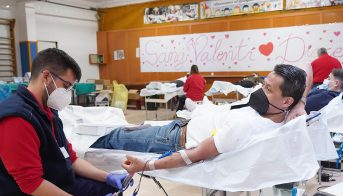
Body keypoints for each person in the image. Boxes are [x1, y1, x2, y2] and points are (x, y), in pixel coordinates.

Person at [0, 48, 136, 196]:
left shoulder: (48, 111)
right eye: (67, 86)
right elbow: (31, 184)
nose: (68, 93)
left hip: (49, 187)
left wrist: (107, 177)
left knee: (111, 192)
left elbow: (70, 158)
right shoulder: (17, 119)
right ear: (46, 77)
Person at [91, 64, 306, 173]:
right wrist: (301, 102)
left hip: (174, 138)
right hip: (183, 124)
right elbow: (306, 75)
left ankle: (80, 164)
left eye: (267, 88)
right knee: (132, 128)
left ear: (286, 101)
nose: (260, 90)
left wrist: (147, 166)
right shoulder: (278, 108)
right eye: (263, 83)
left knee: (116, 135)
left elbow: (193, 155)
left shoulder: (246, 125)